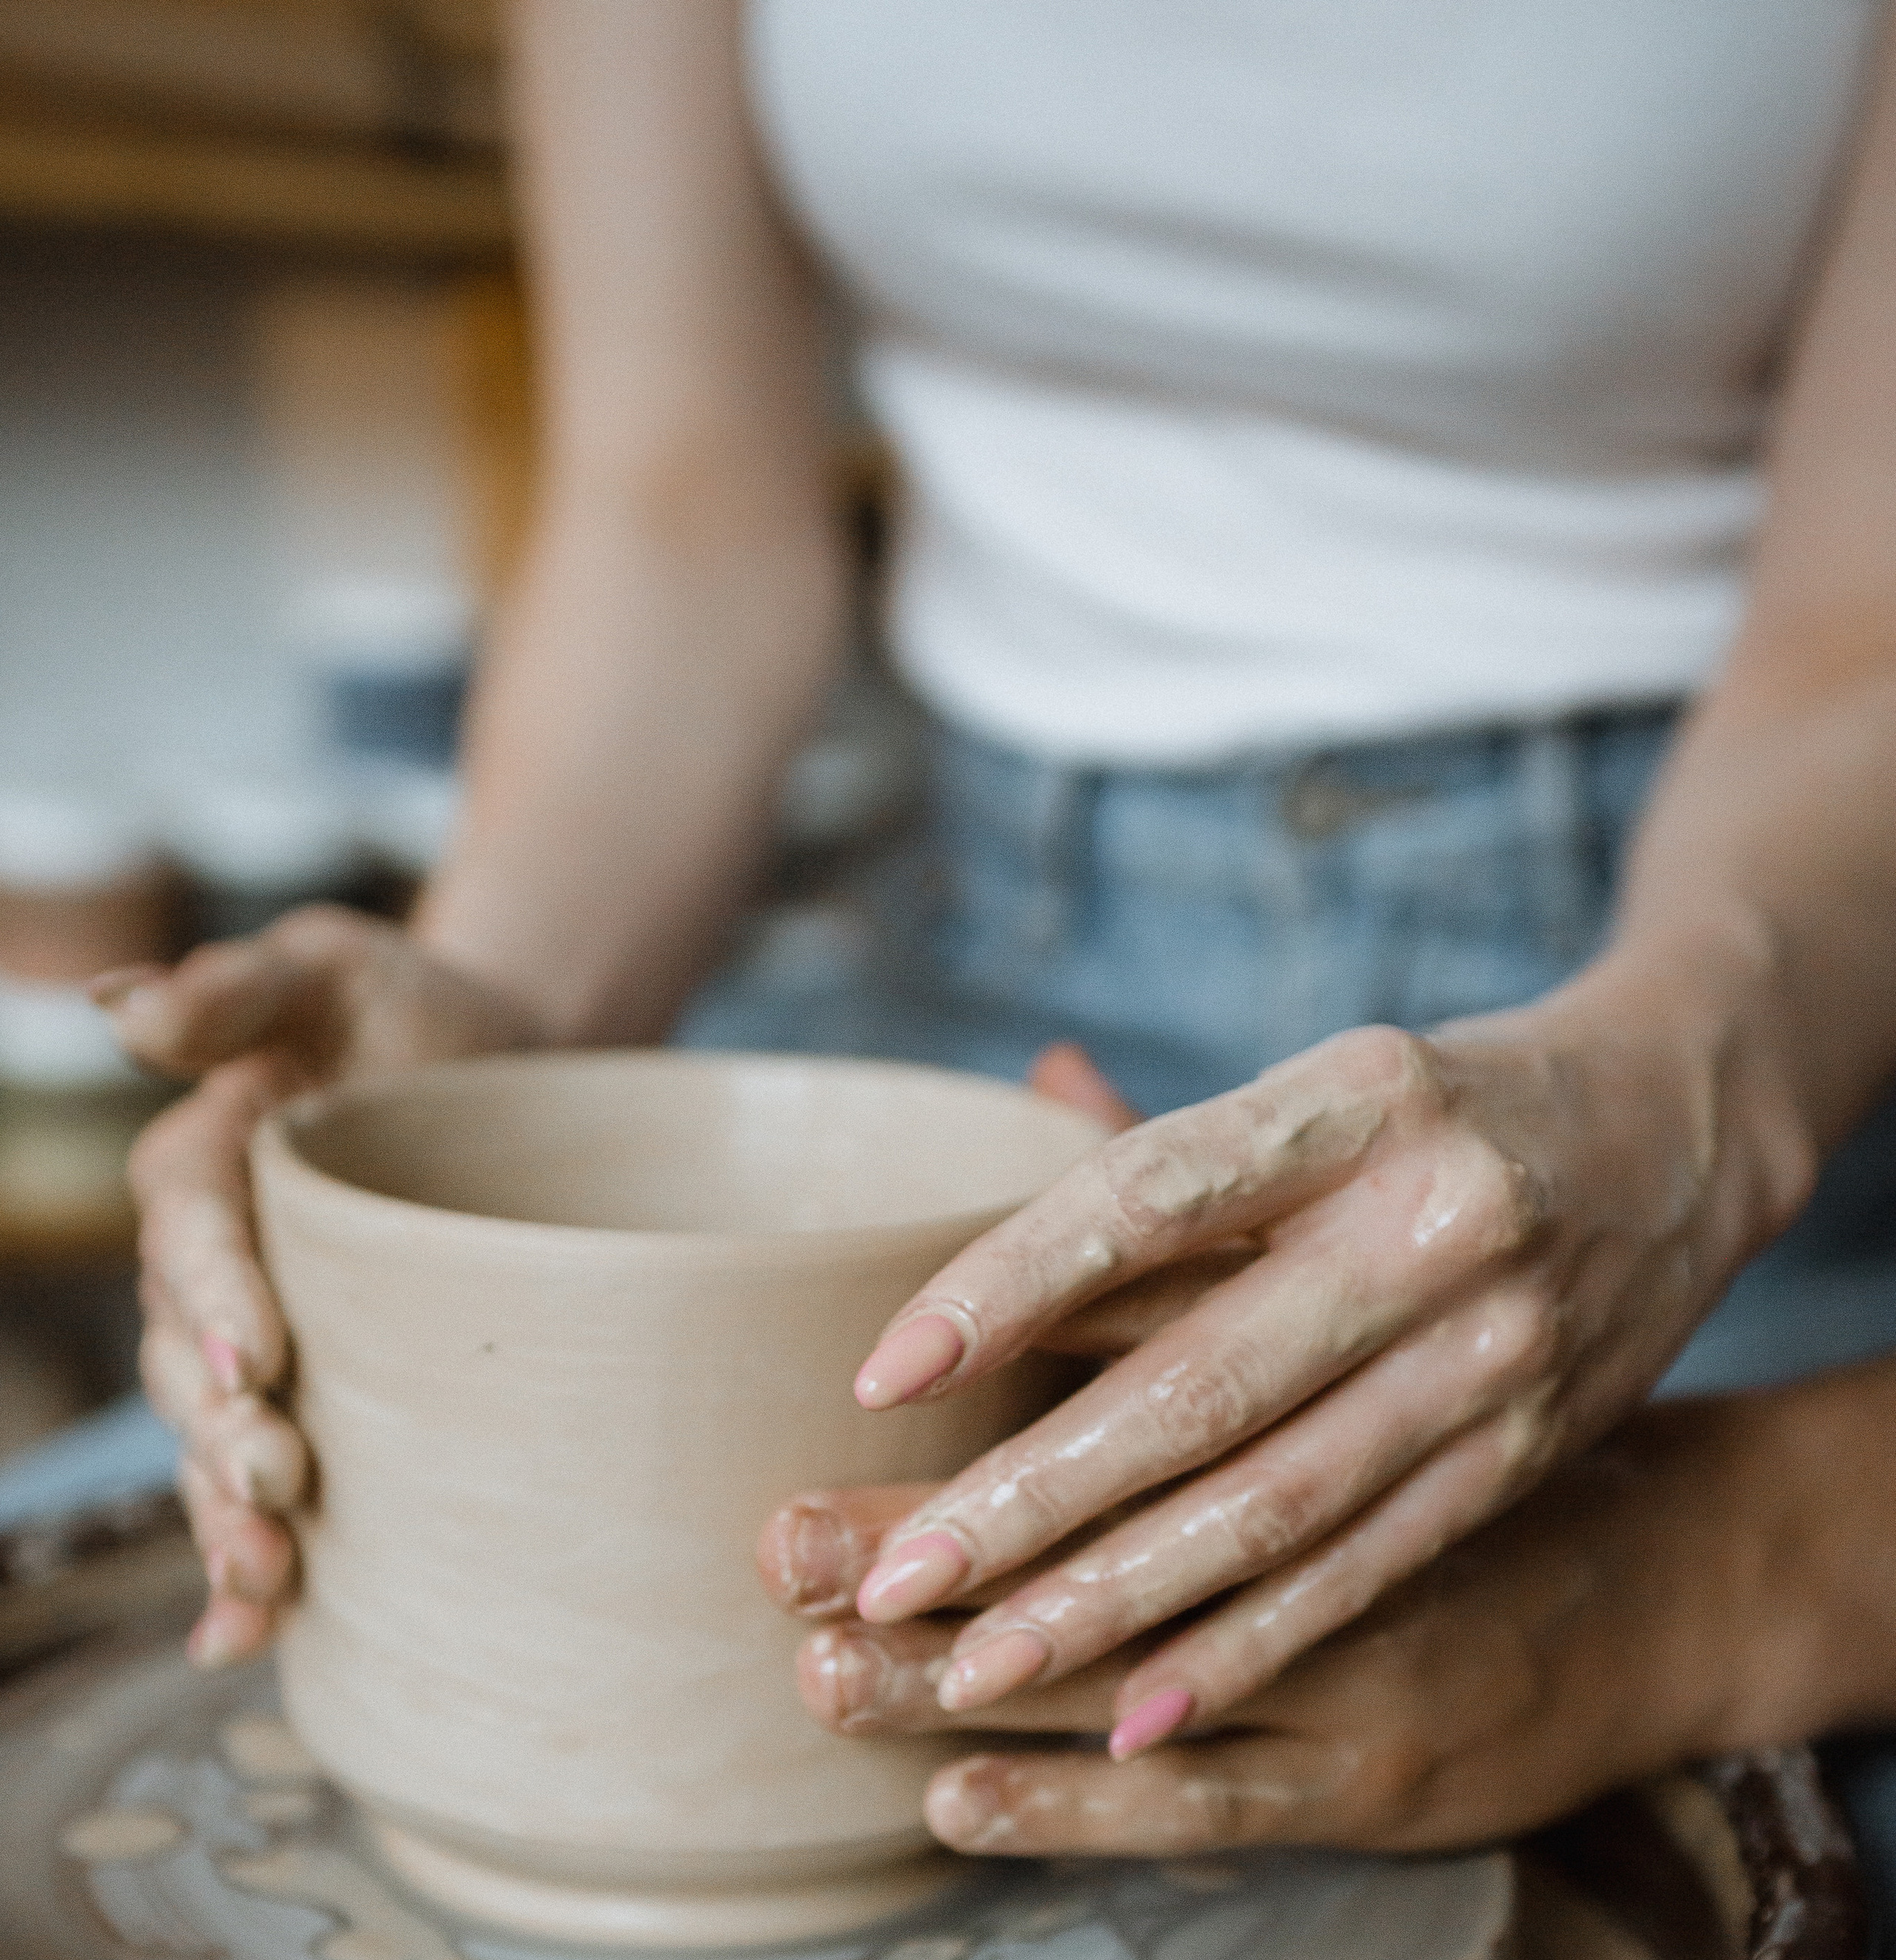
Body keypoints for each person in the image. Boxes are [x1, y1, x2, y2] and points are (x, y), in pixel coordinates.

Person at [99, 0, 1896, 1846]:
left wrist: (1687, 1108)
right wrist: (479, 1032)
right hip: (972, 956)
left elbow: (1865, 633)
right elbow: (679, 504)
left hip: (1716, 980)